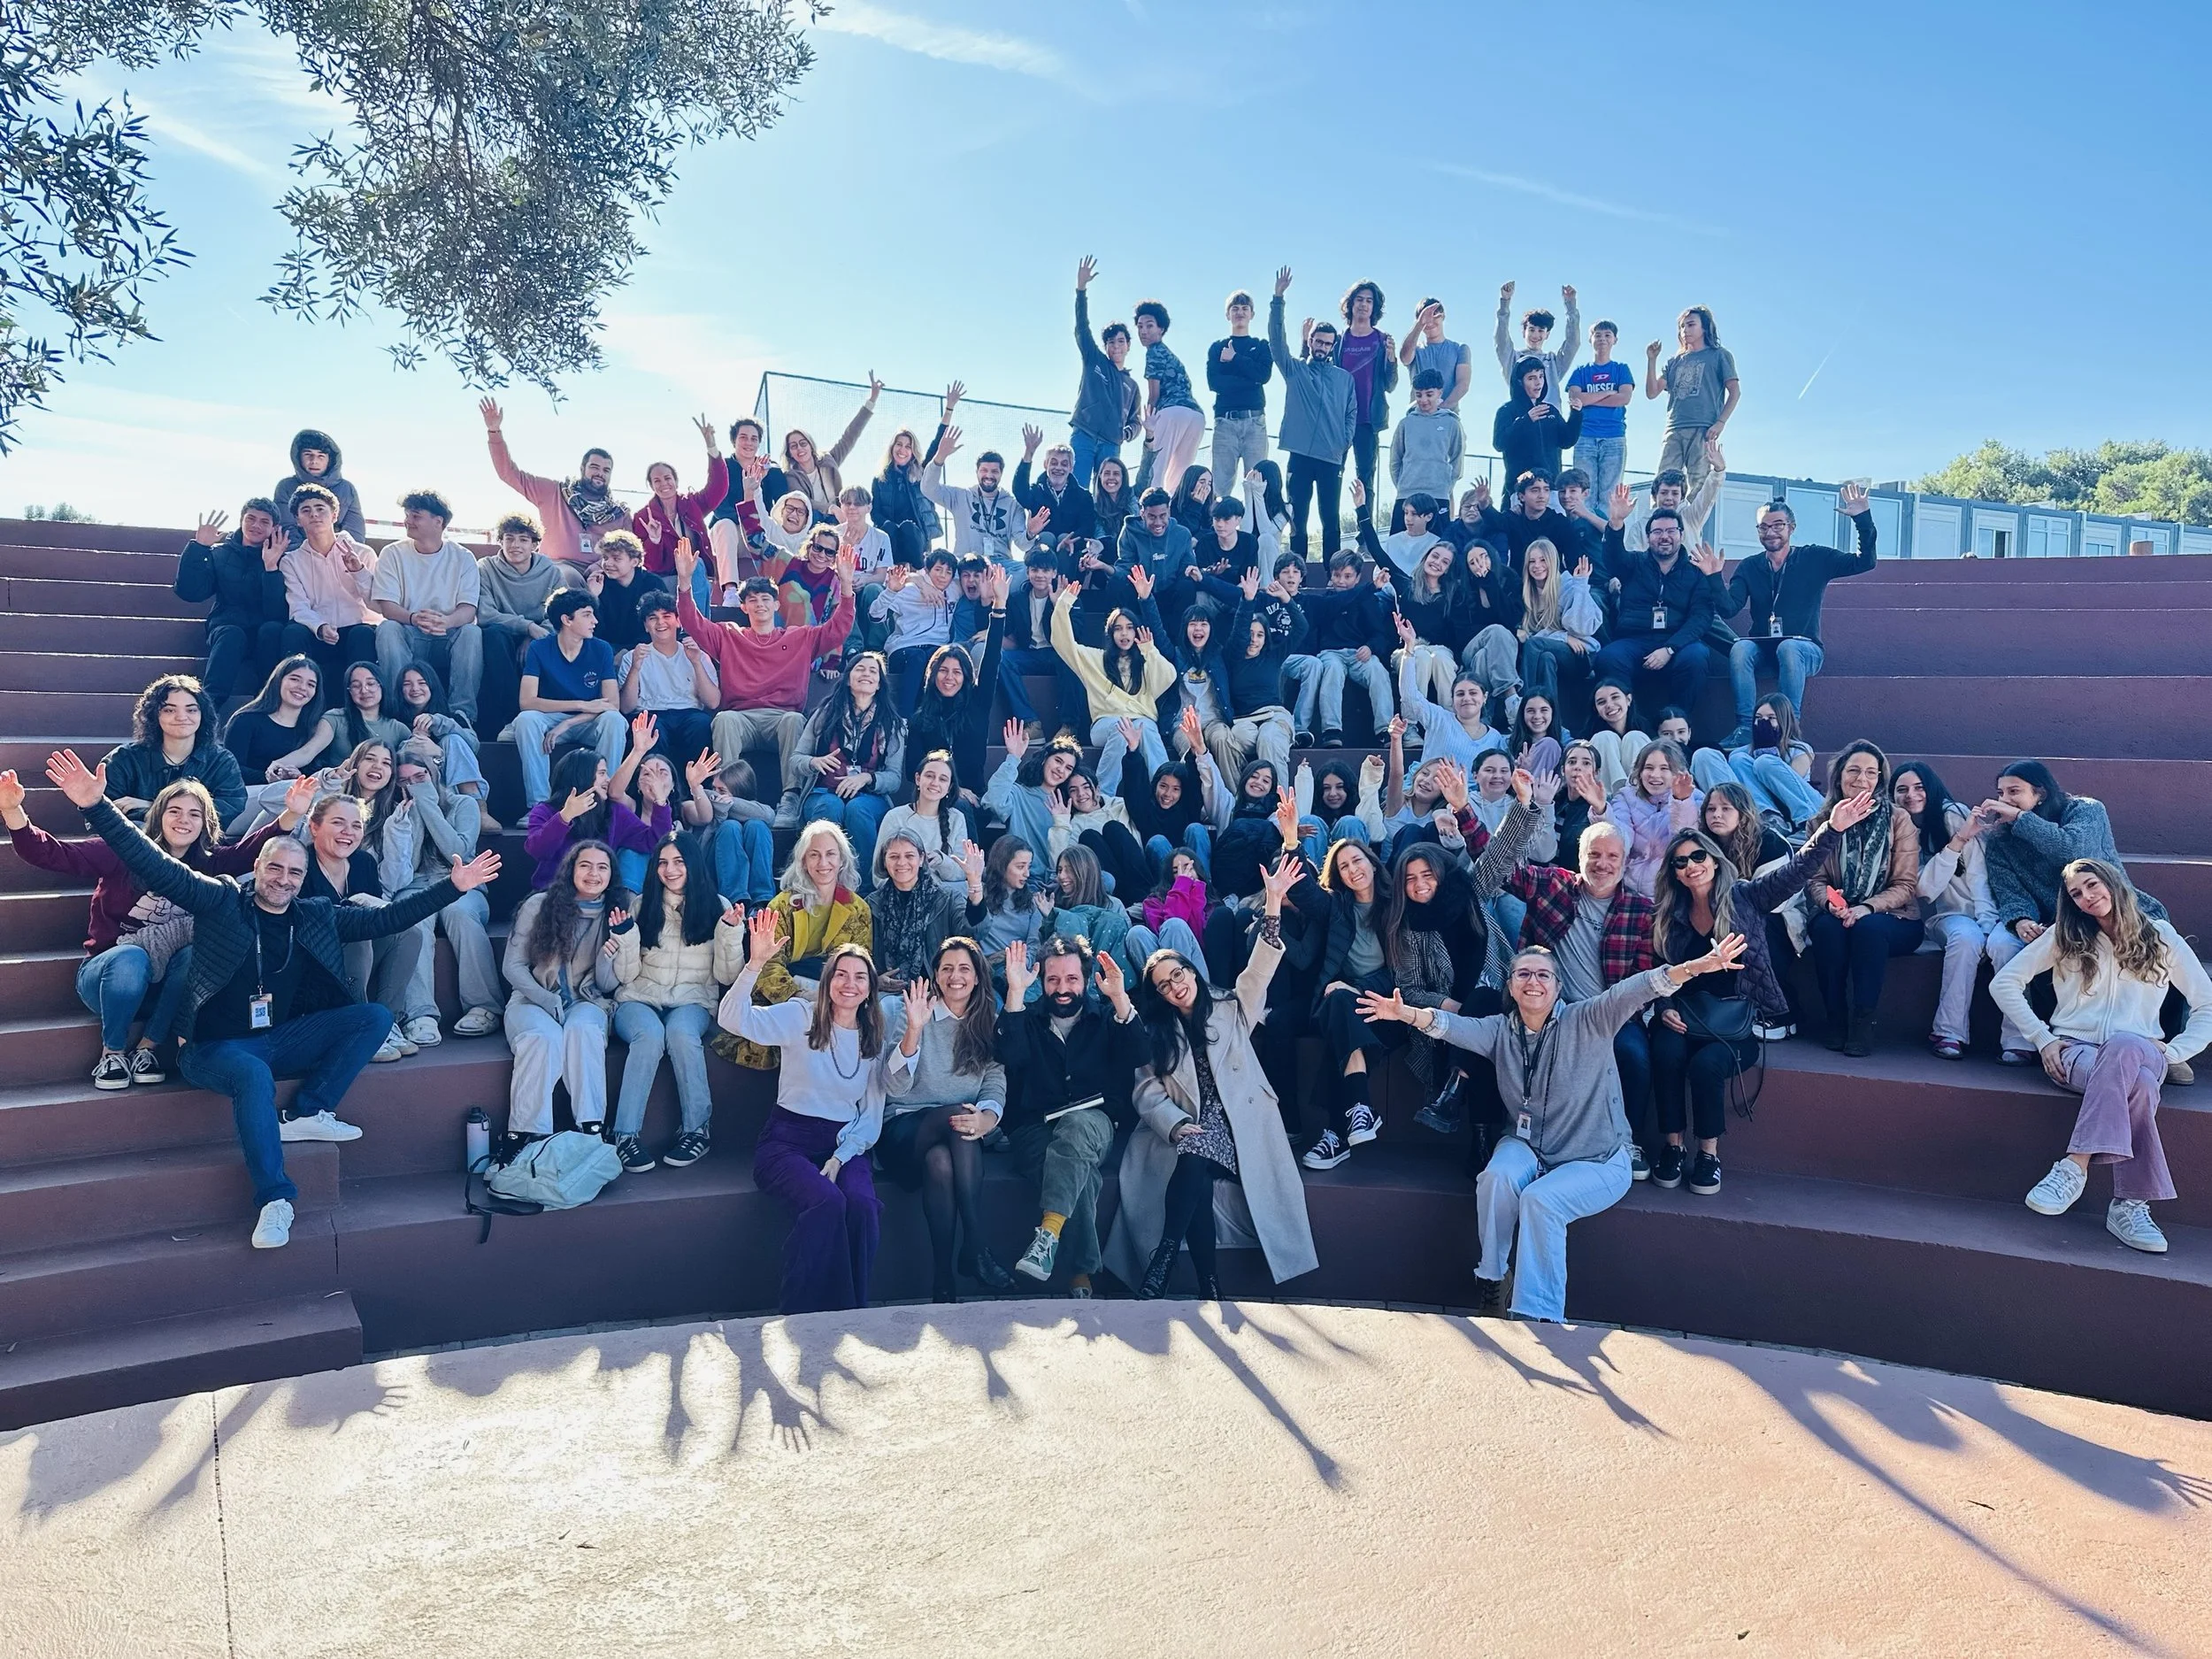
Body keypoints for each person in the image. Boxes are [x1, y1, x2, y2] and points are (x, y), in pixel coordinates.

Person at [46, 749, 493, 1248]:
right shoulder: (218, 901)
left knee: (371, 1016)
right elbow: (149, 858)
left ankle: (308, 1111)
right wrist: (96, 807)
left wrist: (452, 888)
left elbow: (384, 921)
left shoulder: (313, 915)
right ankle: (275, 1200)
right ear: (256, 867)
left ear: (303, 881)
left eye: (294, 874)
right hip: (214, 1049)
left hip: (277, 1037)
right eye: (274, 869)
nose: (283, 880)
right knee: (253, 1073)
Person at [1365, 932, 1746, 1317]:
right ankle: (1494, 1280)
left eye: (1544, 975)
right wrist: (1406, 1014)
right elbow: (1449, 1025)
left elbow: (1640, 987)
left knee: (1540, 1200)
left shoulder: (1590, 1018)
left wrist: (1698, 967)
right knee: (1496, 1177)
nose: (1534, 982)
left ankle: (1538, 1315)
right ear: (1510, 987)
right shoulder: (1500, 1030)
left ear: (1559, 986)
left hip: (1596, 1159)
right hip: (1529, 1146)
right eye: (1523, 974)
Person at [4, 767, 311, 1087]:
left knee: (195, 954)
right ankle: (112, 1054)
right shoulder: (123, 851)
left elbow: (249, 852)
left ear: (205, 824)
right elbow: (51, 854)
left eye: (195, 814)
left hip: (167, 992)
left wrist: (292, 813)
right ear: (158, 815)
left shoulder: (210, 863)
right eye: (174, 811)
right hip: (110, 981)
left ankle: (147, 1048)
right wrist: (13, 810)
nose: (184, 820)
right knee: (132, 958)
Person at [1111, 854, 1313, 1299]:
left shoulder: (1231, 1005)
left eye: (1178, 974)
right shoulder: (1156, 1032)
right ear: (1158, 995)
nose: (1174, 986)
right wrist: (1175, 1122)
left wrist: (1274, 904)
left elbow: (1260, 971)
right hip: (1187, 1125)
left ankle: (1166, 1256)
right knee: (1195, 1160)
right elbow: (1145, 1089)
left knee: (1197, 1154)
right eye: (1163, 984)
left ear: (1192, 972)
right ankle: (1209, 1284)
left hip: (1242, 1121)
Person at [1648, 799, 1872, 1194]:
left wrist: (1832, 829)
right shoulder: (1668, 915)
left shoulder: (1746, 897)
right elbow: (1656, 969)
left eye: (1698, 855)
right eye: (1680, 862)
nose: (1691, 866)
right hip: (1685, 1017)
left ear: (1715, 860)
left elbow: (1797, 870)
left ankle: (1708, 1156)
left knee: (1706, 1066)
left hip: (1735, 1026)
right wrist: (1664, 1006)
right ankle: (1673, 1149)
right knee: (1665, 1052)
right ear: (1674, 873)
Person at [1995, 859, 2212, 1256]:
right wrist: (2042, 1039)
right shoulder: (2067, 935)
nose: (2086, 898)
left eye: (2092, 886)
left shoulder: (2159, 936)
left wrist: (2178, 1050)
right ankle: (2130, 1205)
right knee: (2142, 1085)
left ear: (2112, 883)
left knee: (2128, 1045)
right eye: (2076, 894)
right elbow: (2004, 982)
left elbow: (2207, 1003)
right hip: (2076, 1053)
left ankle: (2074, 1165)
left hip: (2145, 1050)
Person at [721, 909, 887, 1313]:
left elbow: (871, 1114)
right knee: (827, 1204)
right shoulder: (800, 1016)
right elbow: (731, 1018)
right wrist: (755, 964)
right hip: (787, 1143)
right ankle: (801, 1314)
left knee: (863, 1206)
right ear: (828, 981)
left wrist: (840, 1156)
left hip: (844, 1144)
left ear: (869, 989)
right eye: (841, 974)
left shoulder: (873, 1038)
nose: (850, 984)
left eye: (859, 977)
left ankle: (852, 1310)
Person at [1978, 760, 2170, 1068]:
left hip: (2115, 907)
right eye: (2001, 793)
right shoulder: (2002, 841)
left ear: (2039, 793)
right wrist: (2021, 919)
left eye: (2014, 791)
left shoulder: (2086, 810)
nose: (2005, 800)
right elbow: (2009, 889)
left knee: (2146, 943)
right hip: (2058, 920)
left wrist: (2021, 819)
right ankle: (2034, 1041)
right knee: (2009, 945)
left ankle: (2163, 1046)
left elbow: (2075, 853)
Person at [1502, 819, 1661, 1173]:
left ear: (1624, 863)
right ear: (1580, 856)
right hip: (1549, 1010)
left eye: (1612, 857)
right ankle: (1522, 1140)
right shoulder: (1552, 885)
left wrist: (1614, 1010)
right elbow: (1498, 866)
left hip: (1610, 1014)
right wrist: (1466, 808)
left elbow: (1644, 974)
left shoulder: (1642, 911)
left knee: (1633, 1055)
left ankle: (1628, 1141)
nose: (1602, 864)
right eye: (1594, 854)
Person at [673, 537, 854, 831]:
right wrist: (684, 581)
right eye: (752, 600)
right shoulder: (729, 635)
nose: (759, 605)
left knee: (796, 720)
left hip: (781, 717)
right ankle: (726, 798)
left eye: (765, 599)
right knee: (724, 720)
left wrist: (846, 587)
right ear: (743, 607)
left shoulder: (800, 636)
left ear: (777, 604)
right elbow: (693, 622)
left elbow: (839, 630)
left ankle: (790, 799)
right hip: (742, 716)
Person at [1000, 936, 1141, 1296]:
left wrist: (1119, 997)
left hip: (1094, 1121)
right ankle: (1081, 1274)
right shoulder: (1026, 1019)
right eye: (1053, 980)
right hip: (1034, 1129)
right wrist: (1015, 992)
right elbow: (1008, 1056)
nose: (1063, 989)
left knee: (1077, 1129)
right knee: (1079, 1172)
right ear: (1042, 982)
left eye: (1072, 979)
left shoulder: (1107, 1016)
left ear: (1086, 979)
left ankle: (1048, 1234)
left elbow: (1140, 1052)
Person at [880, 938, 1013, 1300]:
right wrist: (913, 1031)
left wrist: (989, 1117)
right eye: (947, 968)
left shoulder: (987, 1020)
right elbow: (892, 1086)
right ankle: (975, 1246)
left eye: (964, 968)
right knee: (956, 1117)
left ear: (977, 977)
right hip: (904, 1130)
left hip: (955, 1141)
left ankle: (943, 1281)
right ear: (936, 976)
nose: (956, 976)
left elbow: (995, 1080)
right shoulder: (915, 1012)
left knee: (940, 1162)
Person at [606, 832, 741, 1173]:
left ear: (693, 864)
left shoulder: (718, 906)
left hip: (693, 999)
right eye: (663, 862)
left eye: (679, 861)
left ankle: (697, 1130)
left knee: (681, 1035)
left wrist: (729, 933)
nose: (670, 869)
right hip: (640, 996)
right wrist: (624, 939)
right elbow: (626, 977)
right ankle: (624, 1135)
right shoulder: (641, 905)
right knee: (650, 1036)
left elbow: (727, 977)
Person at [1714, 483, 1877, 745]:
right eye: (1764, 527)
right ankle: (1745, 728)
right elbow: (1728, 608)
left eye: (1778, 525)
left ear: (1791, 527)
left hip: (1805, 649)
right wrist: (1713, 577)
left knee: (1789, 647)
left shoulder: (1814, 557)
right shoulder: (1750, 566)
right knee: (1740, 648)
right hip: (1763, 649)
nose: (1771, 532)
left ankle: (1787, 730)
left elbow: (1864, 561)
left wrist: (1862, 519)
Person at [719, 822, 874, 1071]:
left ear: (842, 860)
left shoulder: (859, 909)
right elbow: (769, 964)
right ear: (803, 861)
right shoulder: (781, 905)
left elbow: (860, 964)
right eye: (814, 855)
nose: (823, 862)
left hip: (836, 995)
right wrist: (801, 997)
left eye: (830, 854)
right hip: (788, 996)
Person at [1802, 741, 1924, 1056]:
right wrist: (1831, 903)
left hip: (1894, 916)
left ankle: (1863, 1021)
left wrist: (1866, 907)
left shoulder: (1899, 820)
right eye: (1854, 770)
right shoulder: (1821, 823)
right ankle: (1835, 1018)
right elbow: (1813, 879)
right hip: (1838, 910)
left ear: (1880, 779)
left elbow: (1906, 885)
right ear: (1840, 776)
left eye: (1872, 772)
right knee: (1827, 929)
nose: (1862, 779)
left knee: (1867, 929)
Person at [502, 840, 620, 1144]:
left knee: (583, 1030)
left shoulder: (617, 912)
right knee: (544, 1038)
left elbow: (606, 986)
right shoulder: (539, 905)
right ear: (570, 870)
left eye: (602, 867)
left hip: (587, 998)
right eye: (585, 865)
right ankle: (527, 1136)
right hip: (533, 999)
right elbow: (512, 967)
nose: (593, 874)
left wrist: (609, 958)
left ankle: (591, 1130)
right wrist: (547, 999)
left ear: (611, 875)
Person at [1893, 762, 1999, 1061]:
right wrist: (1957, 842)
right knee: (1965, 939)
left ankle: (2018, 1041)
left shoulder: (1954, 814)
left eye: (1919, 787)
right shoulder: (1900, 830)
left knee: (1996, 943)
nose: (1911, 795)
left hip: (1987, 911)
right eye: (1902, 790)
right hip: (1948, 916)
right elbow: (1925, 889)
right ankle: (1948, 1032)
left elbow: (1979, 876)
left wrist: (1988, 925)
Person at [1050, 580, 1177, 796]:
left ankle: (1163, 788)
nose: (1124, 634)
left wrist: (1150, 651)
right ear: (1111, 633)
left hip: (1141, 723)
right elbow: (1064, 644)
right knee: (1122, 728)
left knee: (1146, 727)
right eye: (1118, 629)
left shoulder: (1145, 660)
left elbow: (1168, 677)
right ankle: (1102, 796)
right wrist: (1064, 605)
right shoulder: (1096, 659)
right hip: (1105, 724)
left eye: (1129, 628)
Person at [370, 488, 483, 725]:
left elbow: (469, 608)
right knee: (387, 628)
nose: (407, 521)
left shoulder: (463, 557)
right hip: (409, 631)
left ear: (438, 521)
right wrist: (413, 618)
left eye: (416, 516)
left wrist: (447, 621)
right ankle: (396, 710)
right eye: (407, 515)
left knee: (472, 631)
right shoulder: (392, 553)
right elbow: (387, 606)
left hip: (448, 634)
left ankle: (462, 715)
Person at [1596, 495, 1715, 718]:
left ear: (1681, 535)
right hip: (1634, 640)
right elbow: (1612, 559)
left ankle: (1678, 724)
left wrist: (1670, 648)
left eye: (1671, 531)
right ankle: (1627, 724)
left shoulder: (1695, 572)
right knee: (1608, 657)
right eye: (1657, 532)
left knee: (1697, 656)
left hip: (1677, 642)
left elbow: (1701, 617)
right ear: (1648, 537)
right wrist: (1616, 523)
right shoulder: (1634, 563)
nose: (1664, 537)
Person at [1268, 267, 1358, 561]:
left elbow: (1351, 413)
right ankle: (1297, 571)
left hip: (1331, 457)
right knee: (1298, 518)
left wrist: (1343, 442)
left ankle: (1334, 573)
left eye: (1327, 343)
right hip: (1300, 455)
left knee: (1331, 519)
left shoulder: (1344, 378)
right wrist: (1278, 299)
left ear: (1333, 346)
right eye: (1317, 341)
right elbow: (1276, 341)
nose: (1322, 347)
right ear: (1310, 342)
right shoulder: (1296, 370)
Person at [479, 398, 626, 574]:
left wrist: (599, 567)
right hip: (557, 569)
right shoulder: (554, 492)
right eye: (594, 467)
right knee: (567, 576)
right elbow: (509, 473)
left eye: (606, 470)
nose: (600, 473)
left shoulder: (618, 513)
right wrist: (494, 431)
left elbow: (627, 549)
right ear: (582, 468)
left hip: (601, 571)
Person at [510, 587, 625, 808]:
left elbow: (612, 704)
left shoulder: (601, 649)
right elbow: (527, 702)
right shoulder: (540, 648)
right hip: (551, 718)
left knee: (615, 720)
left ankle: (604, 803)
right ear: (567, 620)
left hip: (588, 721)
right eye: (587, 615)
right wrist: (580, 704)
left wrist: (570, 721)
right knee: (526, 720)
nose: (595, 621)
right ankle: (539, 806)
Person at [523, 722, 668, 887]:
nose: (608, 779)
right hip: (552, 894)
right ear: (582, 777)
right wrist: (565, 816)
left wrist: (660, 801)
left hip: (598, 895)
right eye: (602, 774)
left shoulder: (614, 811)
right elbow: (537, 850)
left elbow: (654, 841)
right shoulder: (545, 811)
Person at [101, 672, 246, 830]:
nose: (181, 717)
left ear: (203, 715)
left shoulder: (220, 761)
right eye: (169, 710)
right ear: (154, 715)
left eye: (191, 710)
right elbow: (102, 816)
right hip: (137, 845)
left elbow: (229, 808)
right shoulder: (124, 759)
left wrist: (154, 806)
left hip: (196, 843)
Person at [177, 503, 291, 699]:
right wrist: (199, 548)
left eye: (264, 522)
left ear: (274, 529)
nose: (256, 525)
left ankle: (269, 702)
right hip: (227, 628)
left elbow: (276, 611)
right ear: (241, 521)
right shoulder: (219, 553)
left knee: (272, 629)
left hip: (263, 634)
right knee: (231, 633)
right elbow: (190, 592)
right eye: (251, 519)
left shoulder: (283, 559)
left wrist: (271, 567)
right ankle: (209, 707)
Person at [1292, 550, 1396, 748]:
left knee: (1378, 672)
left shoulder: (1369, 601)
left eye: (1348, 576)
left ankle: (1385, 730)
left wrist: (1370, 647)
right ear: (1330, 576)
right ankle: (1331, 731)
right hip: (1330, 653)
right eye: (1337, 575)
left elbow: (1380, 635)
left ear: (1358, 578)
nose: (1341, 581)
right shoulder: (1323, 602)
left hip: (1359, 654)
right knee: (1331, 670)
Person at [277, 483, 380, 679]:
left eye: (320, 509)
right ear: (298, 520)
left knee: (363, 635)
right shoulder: (291, 561)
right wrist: (320, 627)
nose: (314, 515)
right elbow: (298, 606)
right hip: (318, 630)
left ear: (334, 515)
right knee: (293, 632)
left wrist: (359, 571)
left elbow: (376, 605)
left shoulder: (363, 553)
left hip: (357, 629)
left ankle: (359, 705)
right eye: (306, 511)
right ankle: (292, 700)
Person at [628, 416, 727, 611]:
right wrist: (654, 541)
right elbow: (650, 564)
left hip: (694, 573)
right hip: (664, 576)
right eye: (657, 481)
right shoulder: (642, 517)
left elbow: (719, 487)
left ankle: (697, 630)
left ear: (676, 480)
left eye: (667, 478)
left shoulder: (692, 504)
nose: (664, 484)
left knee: (696, 563)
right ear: (651, 485)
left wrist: (712, 449)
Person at [222, 656, 334, 829]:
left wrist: (297, 776)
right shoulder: (246, 720)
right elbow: (231, 769)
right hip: (249, 796)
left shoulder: (315, 729)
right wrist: (270, 778)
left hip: (295, 801)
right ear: (278, 681)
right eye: (295, 679)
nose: (302, 688)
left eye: (311, 684)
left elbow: (317, 770)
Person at [1689, 692, 1823, 831]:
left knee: (1764, 762)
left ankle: (1807, 824)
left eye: (1771, 718)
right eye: (1758, 718)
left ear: (1784, 721)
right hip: (1757, 813)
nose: (1763, 722)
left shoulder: (1801, 749)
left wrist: (1767, 751)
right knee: (1724, 757)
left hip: (1806, 807)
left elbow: (1788, 787)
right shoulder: (1741, 754)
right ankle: (1765, 817)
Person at [1644, 306, 1739, 492]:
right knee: (1663, 480)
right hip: (1674, 427)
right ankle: (1659, 519)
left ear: (1704, 327)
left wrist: (1720, 422)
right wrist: (1652, 360)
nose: (1685, 330)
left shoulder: (1719, 355)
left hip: (1703, 428)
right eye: (1681, 326)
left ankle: (1693, 522)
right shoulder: (1674, 361)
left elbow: (1735, 392)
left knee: (1699, 484)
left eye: (1690, 325)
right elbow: (1652, 392)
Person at [1335, 278, 1398, 555]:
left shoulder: (1382, 340)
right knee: (1332, 477)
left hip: (1367, 421)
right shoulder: (1339, 340)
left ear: (1375, 307)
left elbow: (1391, 384)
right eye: (1359, 299)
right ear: (1350, 304)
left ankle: (1365, 538)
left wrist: (1392, 359)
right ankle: (1332, 536)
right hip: (1338, 420)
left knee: (1366, 479)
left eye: (1368, 300)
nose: (1363, 304)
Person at [1594, 738, 1701, 898]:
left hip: (1672, 892)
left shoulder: (1695, 798)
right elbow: (1621, 840)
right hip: (1627, 890)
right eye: (1648, 767)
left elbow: (1684, 843)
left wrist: (1681, 802)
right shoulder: (1626, 796)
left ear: (1677, 772)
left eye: (1665, 768)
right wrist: (1601, 810)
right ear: (1639, 771)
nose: (1655, 775)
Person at [1070, 257, 1144, 488]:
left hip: (1111, 443)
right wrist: (1081, 289)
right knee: (1077, 489)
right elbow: (1082, 328)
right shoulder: (1095, 361)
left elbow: (1137, 420)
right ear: (1105, 347)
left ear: (1128, 345)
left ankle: (1102, 526)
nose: (1116, 346)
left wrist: (1127, 433)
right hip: (1084, 434)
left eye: (1121, 341)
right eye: (1111, 342)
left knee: (1107, 492)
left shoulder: (1132, 386)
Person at [868, 828, 971, 994]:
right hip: (886, 994)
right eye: (894, 857)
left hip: (939, 991)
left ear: (922, 858)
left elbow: (971, 934)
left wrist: (975, 885)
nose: (901, 863)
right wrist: (874, 981)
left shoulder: (947, 898)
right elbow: (861, 957)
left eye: (909, 856)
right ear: (884, 861)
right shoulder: (873, 903)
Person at [923, 422, 1028, 568]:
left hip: (1001, 565)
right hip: (966, 561)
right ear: (977, 472)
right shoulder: (961, 496)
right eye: (984, 470)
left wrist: (1031, 532)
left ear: (1001, 473)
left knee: (1027, 571)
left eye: (994, 471)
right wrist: (940, 456)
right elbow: (928, 488)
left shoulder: (1013, 505)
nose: (989, 475)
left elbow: (1023, 545)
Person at [1517, 536, 1602, 710]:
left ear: (1552, 561)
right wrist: (1563, 637)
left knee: (1534, 644)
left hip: (1581, 655)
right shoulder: (1527, 593)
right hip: (1553, 653)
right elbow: (1528, 632)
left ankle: (1523, 705)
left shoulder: (1568, 585)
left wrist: (1581, 585)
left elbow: (1583, 627)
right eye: (1532, 561)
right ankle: (1550, 716)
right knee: (1546, 659)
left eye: (1543, 560)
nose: (1537, 565)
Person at [1131, 296, 1204, 495]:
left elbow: (1153, 394)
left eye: (1149, 325)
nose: (1143, 331)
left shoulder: (1153, 352)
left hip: (1172, 412)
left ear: (1161, 329)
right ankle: (1173, 518)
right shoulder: (1171, 355)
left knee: (1155, 471)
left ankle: (1147, 516)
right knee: (1179, 478)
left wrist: (1149, 425)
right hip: (1197, 417)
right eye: (1139, 326)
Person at [780, 378, 881, 518]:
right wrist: (831, 508)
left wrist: (871, 401)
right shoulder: (792, 476)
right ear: (790, 453)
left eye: (803, 443)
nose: (799, 449)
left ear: (811, 446)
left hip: (838, 516)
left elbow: (850, 435)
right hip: (813, 521)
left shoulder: (828, 460)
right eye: (793, 446)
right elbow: (803, 501)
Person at [1207, 288, 1274, 495]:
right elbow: (1216, 383)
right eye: (1235, 308)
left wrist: (1235, 359)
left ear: (1252, 314)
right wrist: (1249, 378)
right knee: (1220, 487)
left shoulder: (1261, 346)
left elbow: (1263, 376)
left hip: (1255, 423)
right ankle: (1217, 526)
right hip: (1225, 423)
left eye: (1245, 308)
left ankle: (1255, 528)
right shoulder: (1218, 347)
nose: (1240, 312)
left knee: (1257, 486)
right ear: (1228, 314)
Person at [1564, 320, 1635, 503]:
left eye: (1607, 335)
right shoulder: (1581, 372)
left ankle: (1605, 531)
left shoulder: (1621, 369)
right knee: (1583, 492)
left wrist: (1591, 397)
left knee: (1609, 496)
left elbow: (1624, 398)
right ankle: (1584, 531)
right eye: (1598, 335)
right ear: (1591, 339)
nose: (1602, 339)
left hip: (1614, 437)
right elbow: (1576, 400)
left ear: (1615, 340)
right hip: (1585, 437)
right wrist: (1607, 393)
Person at [1389, 372, 1464, 531]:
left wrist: (1446, 486)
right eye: (1419, 395)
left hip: (1438, 495)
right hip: (1406, 495)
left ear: (1440, 392)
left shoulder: (1451, 423)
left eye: (1429, 394)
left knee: (1437, 549)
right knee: (1398, 548)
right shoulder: (1405, 423)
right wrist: (1403, 485)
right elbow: (1395, 459)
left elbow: (1457, 458)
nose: (1424, 400)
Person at [1494, 364, 1583, 493]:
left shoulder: (1550, 410)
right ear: (1520, 382)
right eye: (1531, 378)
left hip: (1550, 487)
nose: (1538, 382)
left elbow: (1567, 441)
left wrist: (1576, 415)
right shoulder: (1507, 410)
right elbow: (1499, 443)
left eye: (1541, 377)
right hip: (1520, 489)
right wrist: (1526, 420)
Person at [271, 427, 365, 540]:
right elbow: (286, 529)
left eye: (321, 456)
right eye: (308, 454)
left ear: (330, 460)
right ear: (298, 457)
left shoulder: (347, 489)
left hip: (339, 553)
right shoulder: (286, 487)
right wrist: (304, 555)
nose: (314, 461)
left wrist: (337, 554)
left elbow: (354, 532)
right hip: (297, 554)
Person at [1494, 280, 1580, 403]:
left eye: (1541, 331)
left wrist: (1570, 305)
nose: (1535, 335)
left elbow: (1573, 343)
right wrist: (1505, 302)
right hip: (1522, 418)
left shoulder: (1554, 362)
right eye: (1532, 329)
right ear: (1524, 332)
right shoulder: (1513, 358)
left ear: (1547, 334)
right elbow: (1501, 339)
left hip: (1551, 419)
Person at [1397, 296, 1473, 411]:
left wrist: (1441, 409)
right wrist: (1420, 323)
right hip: (1416, 417)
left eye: (1435, 315)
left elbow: (1463, 384)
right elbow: (1405, 358)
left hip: (1447, 417)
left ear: (1443, 316)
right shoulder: (1415, 350)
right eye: (1426, 317)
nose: (1430, 321)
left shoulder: (1460, 349)